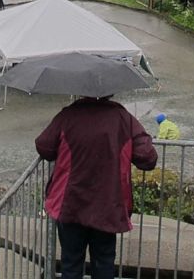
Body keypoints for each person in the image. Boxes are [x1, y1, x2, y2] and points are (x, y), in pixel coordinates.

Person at [35, 96, 158, 279]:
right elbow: (148, 158)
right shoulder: (123, 119)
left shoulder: (67, 116)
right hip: (108, 204)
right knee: (104, 262)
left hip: (71, 203)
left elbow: (44, 147)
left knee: (71, 263)